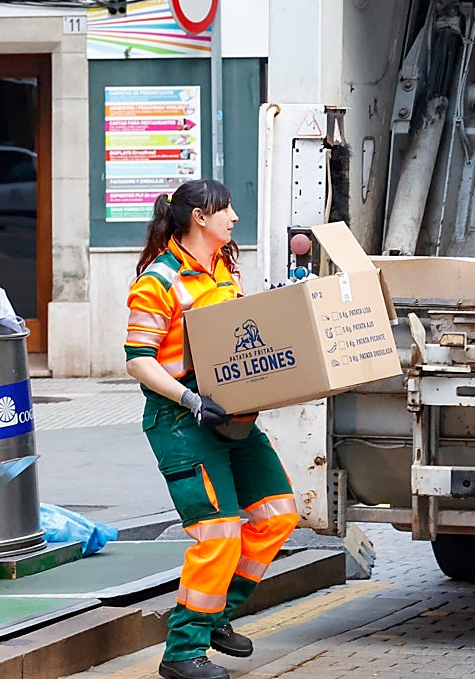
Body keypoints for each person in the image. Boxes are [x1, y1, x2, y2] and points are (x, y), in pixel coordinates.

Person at [125, 179, 299, 679]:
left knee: (276, 515)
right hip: (182, 418)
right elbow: (138, 361)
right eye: (226, 210)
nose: (235, 218)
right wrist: (190, 398)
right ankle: (183, 652)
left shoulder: (223, 267)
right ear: (200, 217)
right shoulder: (157, 281)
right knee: (219, 533)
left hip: (231, 415)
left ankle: (214, 613)